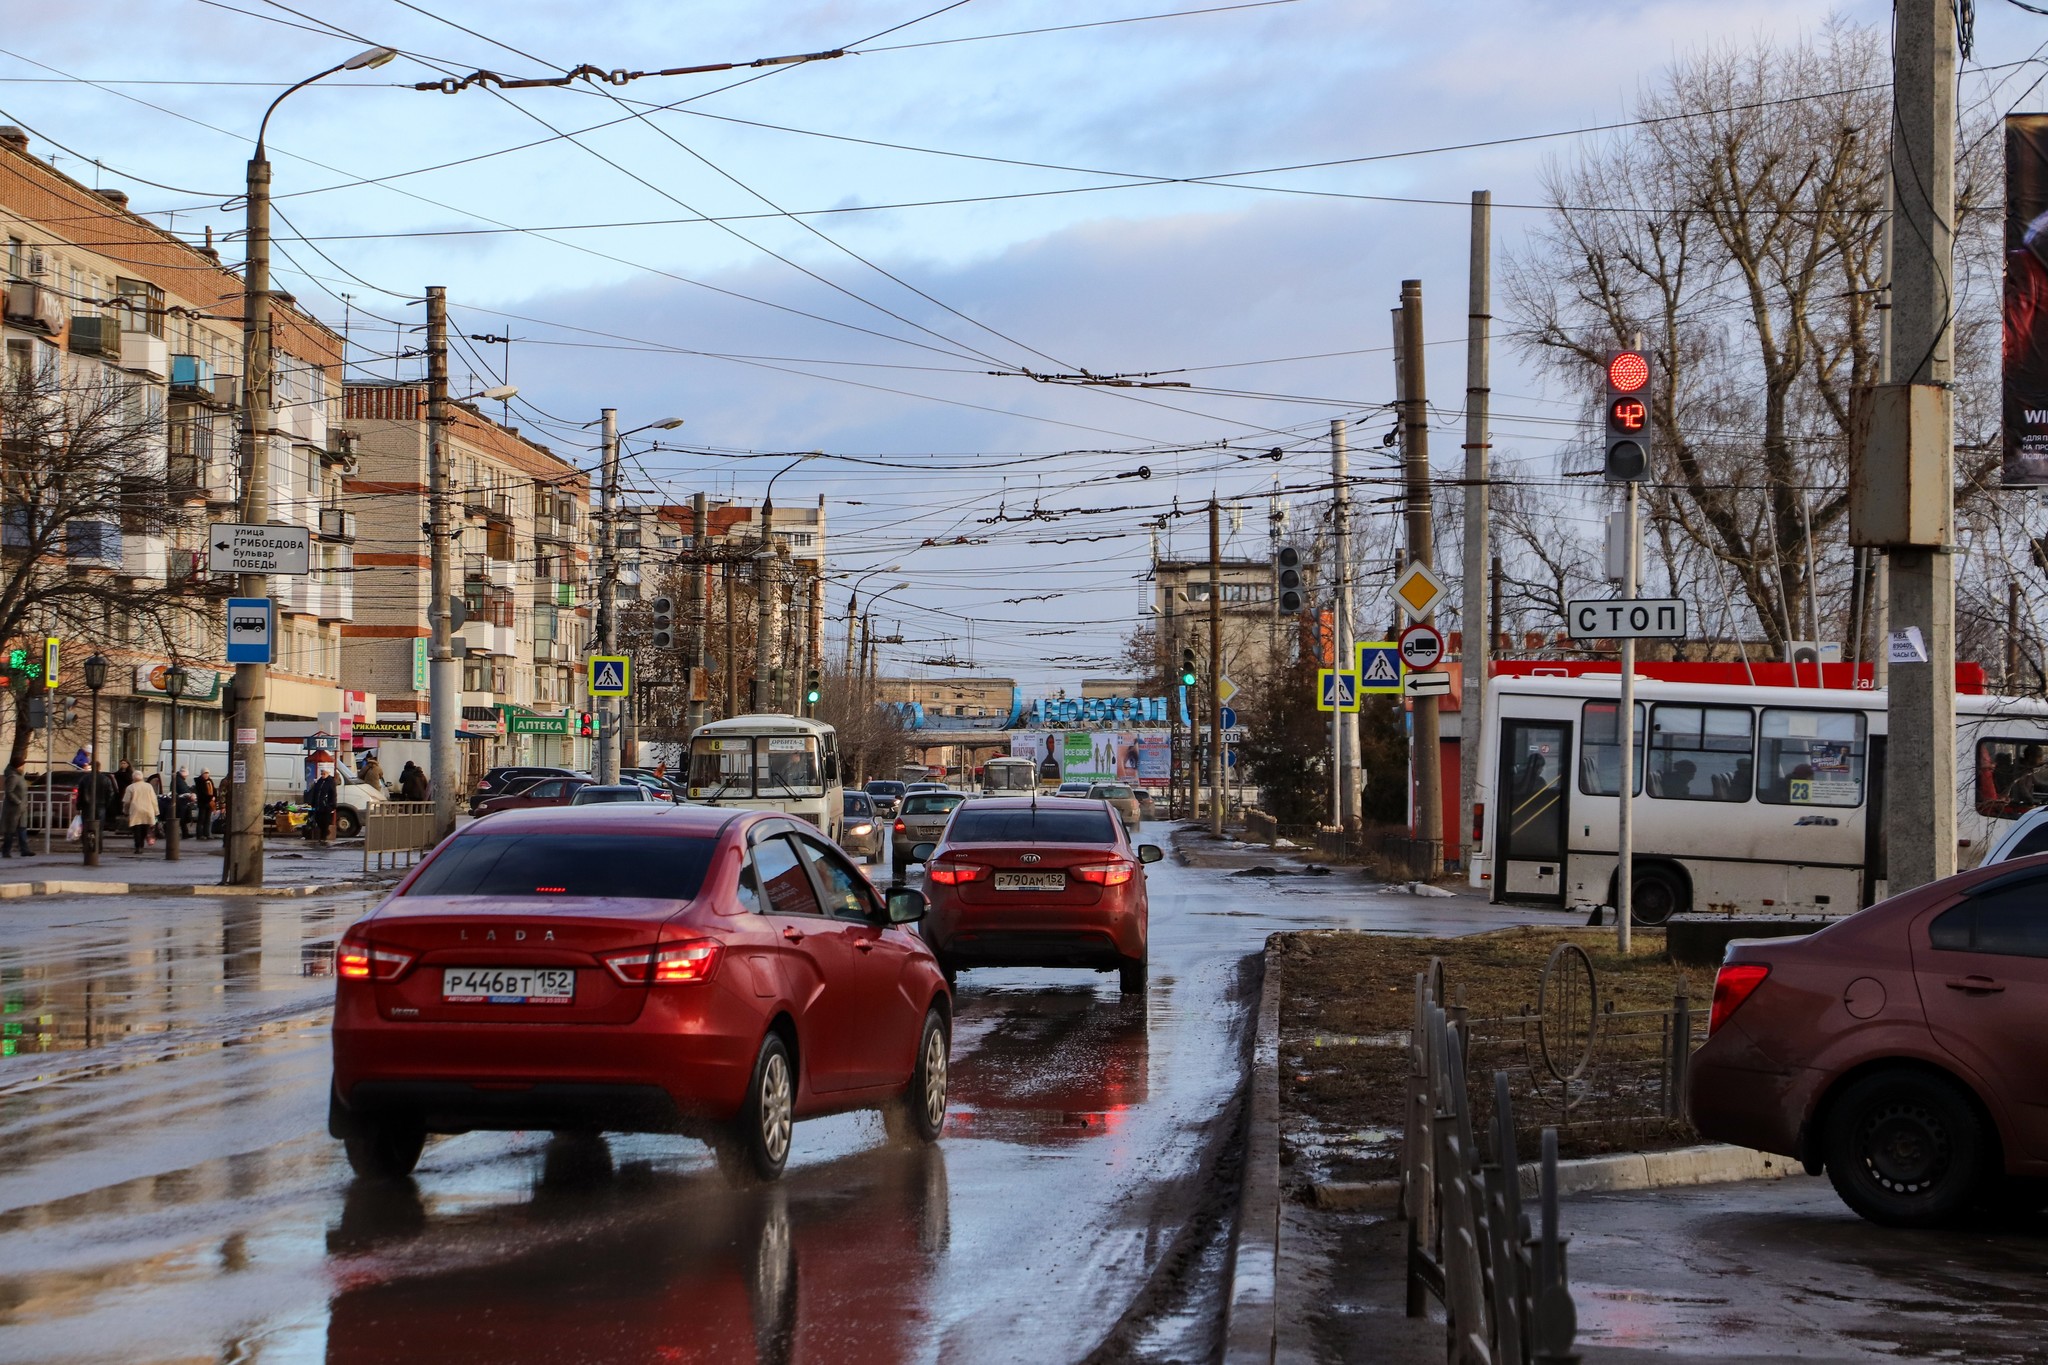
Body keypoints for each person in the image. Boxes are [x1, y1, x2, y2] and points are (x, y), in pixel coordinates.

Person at [122, 775, 158, 854]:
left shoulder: (130, 787)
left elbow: (126, 801)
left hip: (135, 810)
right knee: (145, 828)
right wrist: (156, 811)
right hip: (147, 810)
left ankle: (138, 846)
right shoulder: (148, 786)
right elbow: (154, 800)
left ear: (133, 778)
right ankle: (141, 844)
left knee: (136, 829)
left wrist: (125, 811)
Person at [1, 759, 30, 858]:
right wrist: (18, 801)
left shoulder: (20, 776)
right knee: (10, 830)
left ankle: (24, 849)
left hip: (22, 808)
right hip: (13, 809)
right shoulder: (13, 777)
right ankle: (6, 850)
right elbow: (9, 791)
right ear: (18, 766)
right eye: (22, 765)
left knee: (22, 828)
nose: (23, 767)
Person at [307, 768, 338, 845]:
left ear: (328, 773)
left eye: (324, 774)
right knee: (318, 819)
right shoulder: (320, 781)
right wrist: (313, 802)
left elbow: (333, 794)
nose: (322, 775)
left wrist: (332, 805)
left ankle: (323, 837)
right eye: (322, 773)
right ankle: (324, 834)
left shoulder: (331, 782)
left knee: (325, 822)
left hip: (326, 806)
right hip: (318, 805)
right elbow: (316, 792)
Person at [193, 769, 215, 840]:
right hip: (203, 802)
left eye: (207, 773)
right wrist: (210, 798)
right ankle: (199, 834)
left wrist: (214, 797)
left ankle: (207, 833)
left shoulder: (210, 781)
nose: (206, 775)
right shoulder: (199, 782)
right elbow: (201, 793)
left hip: (210, 802)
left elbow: (214, 790)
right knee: (201, 819)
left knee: (208, 819)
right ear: (202, 774)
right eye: (205, 773)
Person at [171, 767, 193, 837]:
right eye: (186, 775)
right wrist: (190, 793)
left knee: (181, 818)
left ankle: (184, 833)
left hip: (180, 801)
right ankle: (180, 833)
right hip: (180, 801)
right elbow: (184, 790)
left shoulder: (178, 779)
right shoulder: (179, 780)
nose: (187, 776)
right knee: (181, 818)